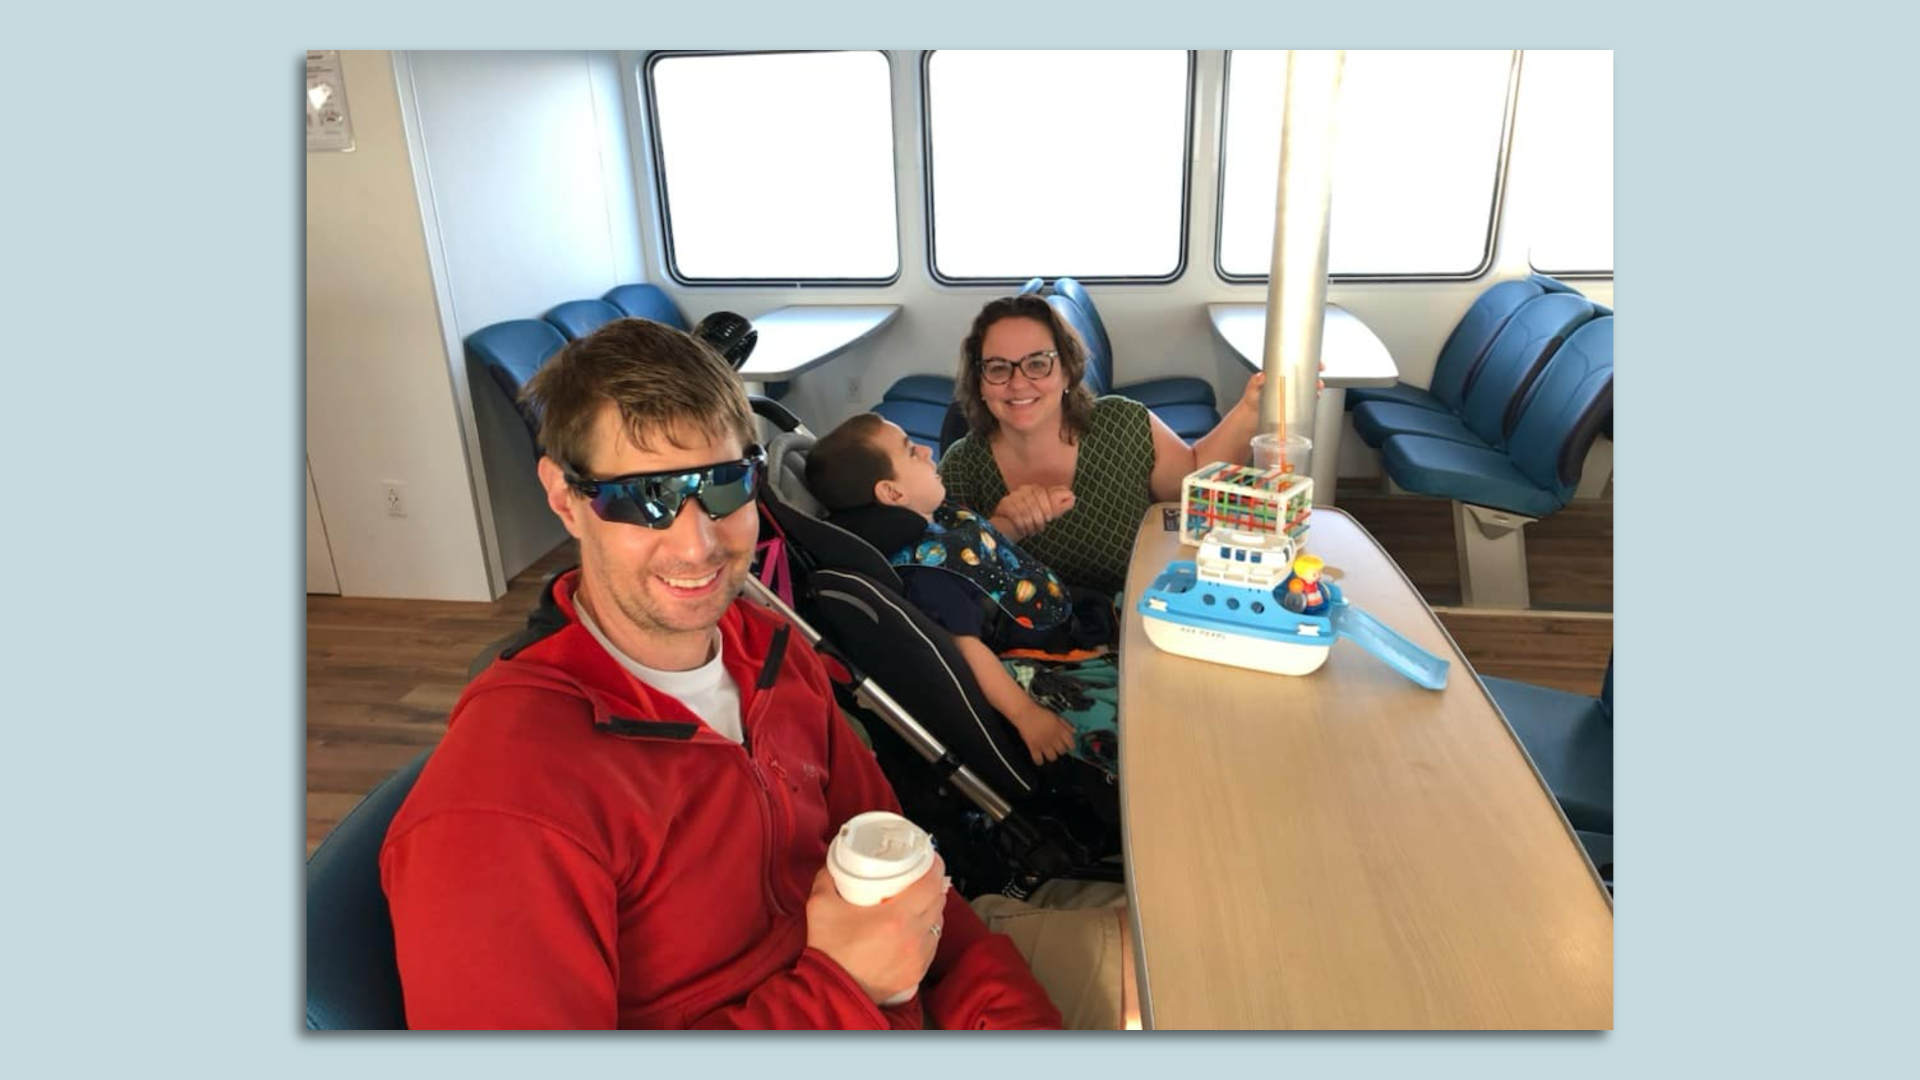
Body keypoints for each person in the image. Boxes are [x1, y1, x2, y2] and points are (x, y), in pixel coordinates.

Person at [379, 317, 1071, 1029]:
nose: (697, 542)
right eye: (642, 496)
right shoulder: (501, 806)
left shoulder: (774, 655)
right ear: (565, 498)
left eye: (724, 484)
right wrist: (843, 989)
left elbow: (908, 881)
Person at [804, 412, 1120, 775]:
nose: (926, 450)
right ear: (893, 493)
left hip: (1069, 617)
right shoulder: (928, 574)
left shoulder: (940, 520)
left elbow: (980, 557)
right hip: (1039, 659)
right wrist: (1026, 714)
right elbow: (967, 649)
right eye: (911, 451)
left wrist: (1020, 521)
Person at [939, 293, 1268, 597]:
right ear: (979, 384)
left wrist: (1251, 408)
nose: (1019, 382)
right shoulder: (962, 467)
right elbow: (939, 579)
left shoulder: (1123, 424)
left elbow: (1192, 484)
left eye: (1037, 363)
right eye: (998, 368)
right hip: (1028, 640)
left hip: (1135, 618)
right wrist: (1001, 527)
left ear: (1067, 371)